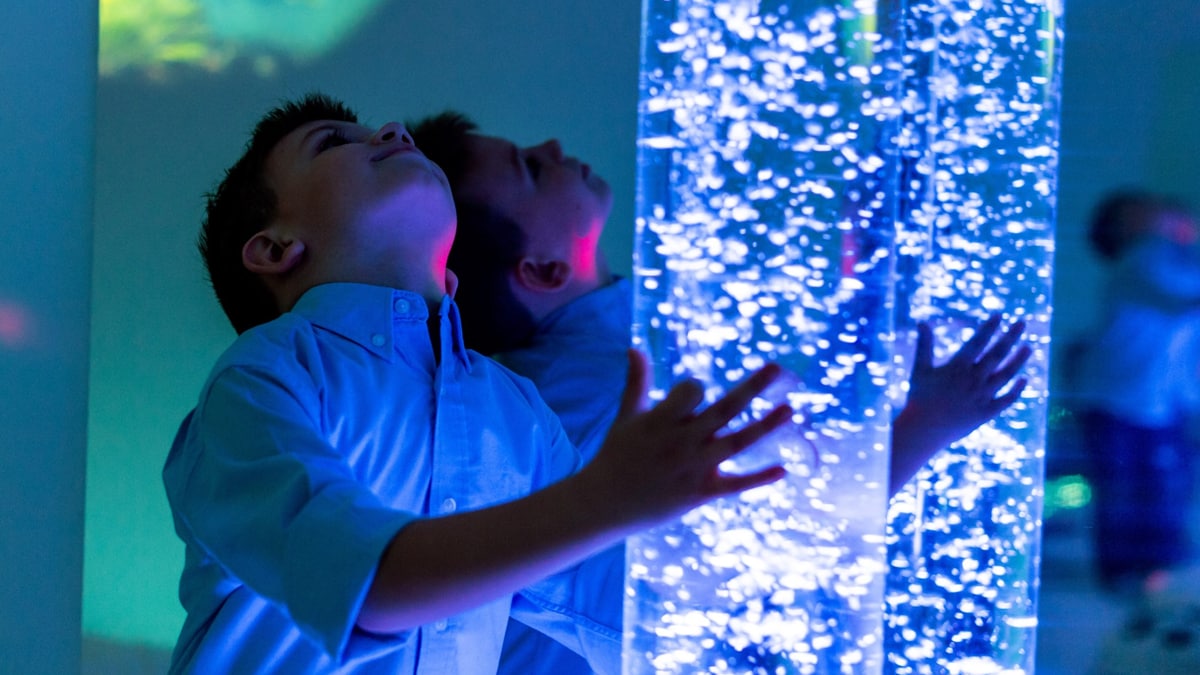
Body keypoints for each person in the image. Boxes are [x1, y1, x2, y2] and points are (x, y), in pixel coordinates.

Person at [162, 92, 797, 674]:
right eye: (333, 142)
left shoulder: (515, 408)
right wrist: (609, 496)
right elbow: (366, 588)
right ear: (275, 250)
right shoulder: (262, 377)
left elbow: (623, 619)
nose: (388, 129)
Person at [410, 110, 1033, 674]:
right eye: (529, 167)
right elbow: (751, 564)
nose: (550, 141)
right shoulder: (590, 394)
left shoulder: (604, 358)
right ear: (543, 269)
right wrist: (926, 426)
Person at [1066, 188, 1200, 593]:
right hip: (1116, 400)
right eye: (1142, 210)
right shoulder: (1137, 263)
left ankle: (1151, 570)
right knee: (1127, 487)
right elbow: (1179, 300)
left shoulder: (1164, 260)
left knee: (1155, 484)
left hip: (1153, 401)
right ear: (1124, 228)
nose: (1158, 209)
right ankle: (1129, 573)